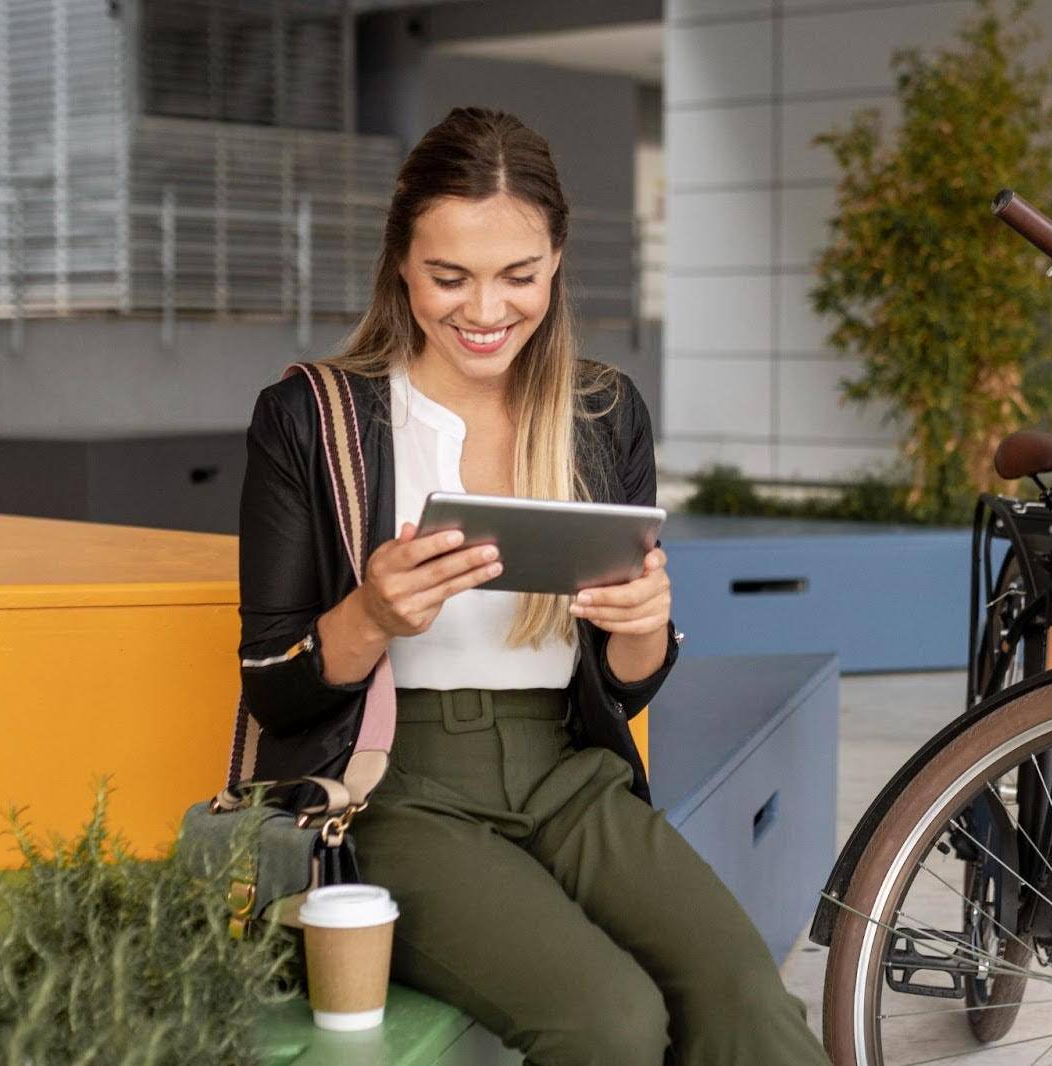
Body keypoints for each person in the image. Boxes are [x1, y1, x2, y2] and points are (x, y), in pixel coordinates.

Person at [235, 107, 833, 1065]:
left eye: (518, 276)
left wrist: (645, 625)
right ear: (401, 262)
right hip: (398, 789)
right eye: (449, 277)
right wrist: (372, 613)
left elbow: (624, 683)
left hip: (568, 768)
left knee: (744, 998)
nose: (485, 311)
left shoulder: (602, 413)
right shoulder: (315, 417)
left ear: (556, 261)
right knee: (611, 1023)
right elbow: (272, 681)